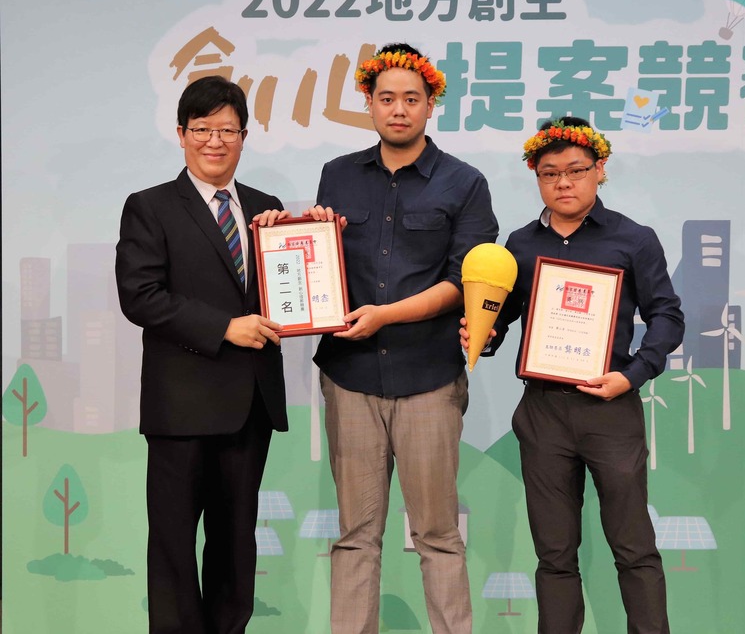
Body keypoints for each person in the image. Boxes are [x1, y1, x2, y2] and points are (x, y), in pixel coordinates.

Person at [293, 42, 497, 633]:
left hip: (427, 377)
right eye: (387, 98)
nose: (399, 109)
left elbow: (465, 281)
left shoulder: (464, 182)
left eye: (412, 98)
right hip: (350, 376)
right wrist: (291, 234)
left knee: (436, 533)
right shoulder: (338, 174)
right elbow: (323, 261)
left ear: (431, 104)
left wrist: (386, 314)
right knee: (356, 536)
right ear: (370, 103)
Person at [461, 117, 684, 634]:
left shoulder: (633, 239)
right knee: (554, 554)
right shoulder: (518, 244)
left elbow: (667, 316)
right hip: (543, 412)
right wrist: (483, 336)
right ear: (536, 177)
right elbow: (504, 317)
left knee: (634, 548)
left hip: (610, 407)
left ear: (600, 170)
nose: (564, 182)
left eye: (576, 170)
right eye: (549, 172)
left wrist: (631, 377)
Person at [115, 75, 288, 634]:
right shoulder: (149, 207)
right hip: (181, 408)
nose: (215, 141)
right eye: (203, 129)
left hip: (249, 406)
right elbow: (140, 296)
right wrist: (224, 328)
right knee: (172, 547)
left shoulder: (267, 210)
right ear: (182, 135)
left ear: (245, 136)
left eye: (227, 130)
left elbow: (290, 296)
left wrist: (307, 240)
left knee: (237, 547)